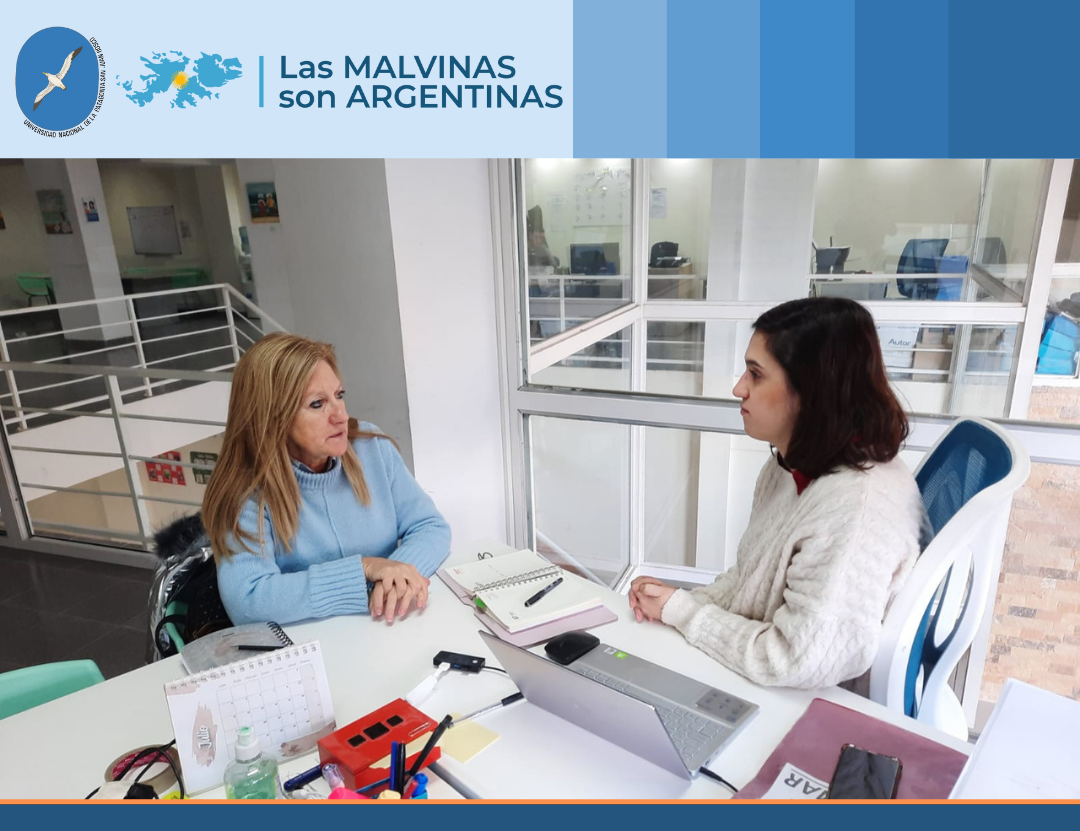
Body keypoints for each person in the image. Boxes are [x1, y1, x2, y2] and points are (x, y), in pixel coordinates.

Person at [629, 297, 927, 692]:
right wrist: (677, 603)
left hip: (814, 698)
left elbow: (792, 660)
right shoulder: (789, 465)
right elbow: (747, 578)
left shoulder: (855, 512)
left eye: (756, 374)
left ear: (812, 391)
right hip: (777, 680)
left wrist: (681, 612)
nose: (739, 388)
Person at [204, 333, 451, 626]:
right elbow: (248, 600)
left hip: (388, 626)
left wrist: (396, 578)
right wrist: (365, 569)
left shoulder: (372, 448)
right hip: (315, 645)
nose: (341, 415)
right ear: (272, 417)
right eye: (317, 404)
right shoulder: (244, 491)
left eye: (339, 395)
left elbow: (430, 526)